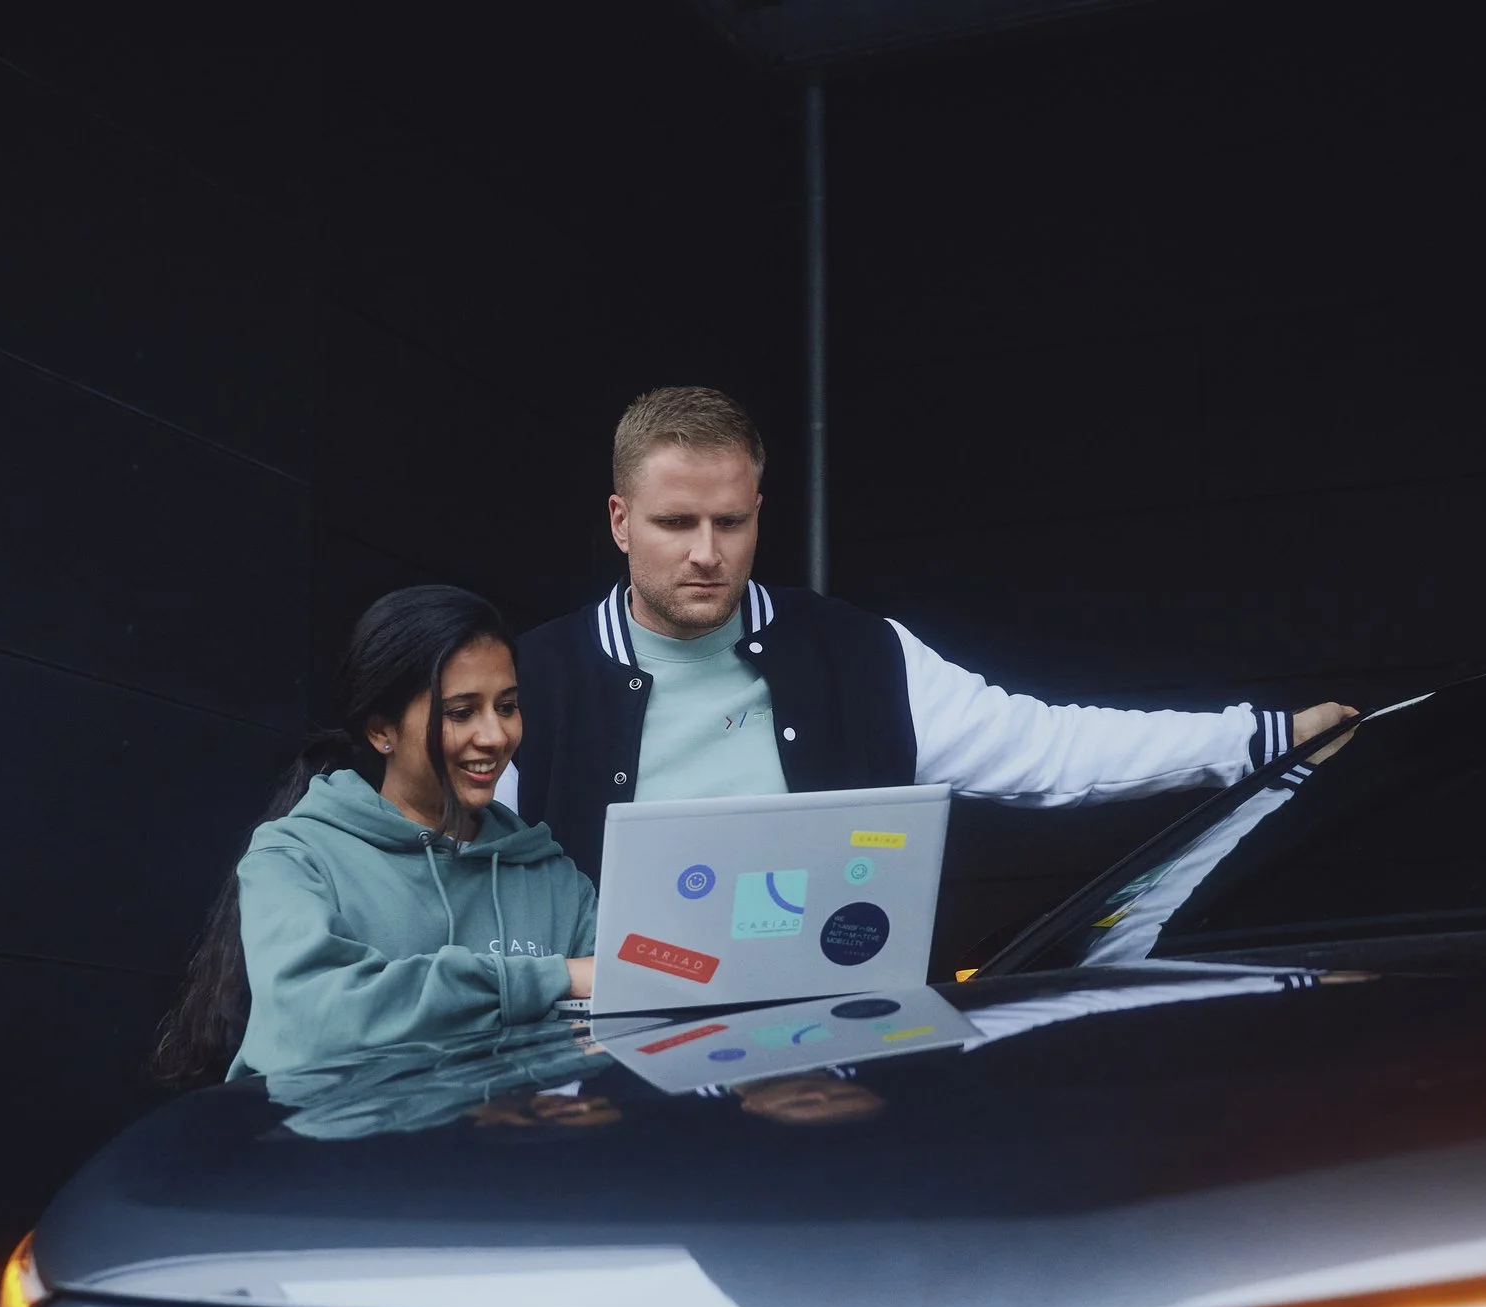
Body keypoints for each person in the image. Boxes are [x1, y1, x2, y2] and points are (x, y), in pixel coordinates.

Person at [502, 386, 1359, 879]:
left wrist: (1261, 738)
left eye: (730, 522)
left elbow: (1047, 749)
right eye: (674, 522)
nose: (706, 552)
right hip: (599, 1071)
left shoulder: (858, 651)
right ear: (620, 521)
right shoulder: (529, 680)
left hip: (821, 1058)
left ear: (760, 511)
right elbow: (450, 877)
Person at [151, 586, 598, 1087]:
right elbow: (319, 1023)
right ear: (381, 730)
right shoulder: (297, 857)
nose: (495, 736)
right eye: (461, 712)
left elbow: (630, 1017)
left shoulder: (557, 882)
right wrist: (550, 978)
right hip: (334, 1162)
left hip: (509, 1163)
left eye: (508, 706)